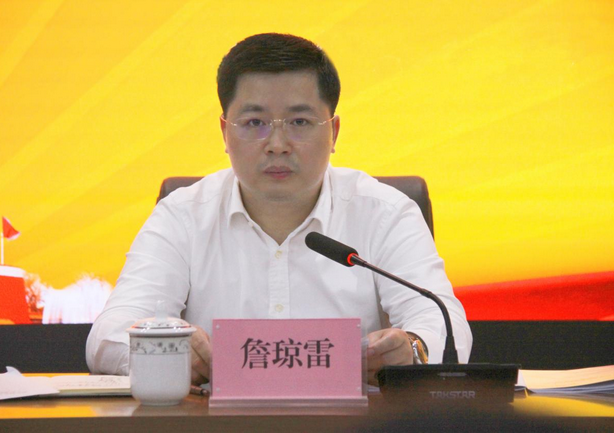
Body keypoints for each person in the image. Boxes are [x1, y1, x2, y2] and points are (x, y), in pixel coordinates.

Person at [86, 33, 472, 386]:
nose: (277, 144)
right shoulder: (182, 216)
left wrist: (414, 350)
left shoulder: (385, 213)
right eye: (254, 122)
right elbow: (107, 337)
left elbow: (443, 322)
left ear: (334, 132)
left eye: (299, 121)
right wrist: (167, 353)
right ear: (224, 132)